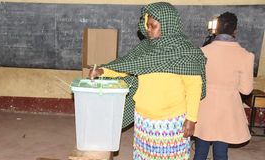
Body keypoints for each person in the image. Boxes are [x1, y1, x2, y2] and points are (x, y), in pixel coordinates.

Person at [89, 2, 206, 159]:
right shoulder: (145, 48)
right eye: (147, 25)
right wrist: (102, 71)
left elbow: (193, 87)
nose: (148, 30)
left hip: (171, 122)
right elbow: (127, 66)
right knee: (144, 156)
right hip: (144, 120)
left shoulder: (185, 52)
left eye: (153, 26)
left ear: (168, 25)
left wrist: (191, 119)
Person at [193, 12, 254, 160]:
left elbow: (195, 82)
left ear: (216, 29)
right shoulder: (246, 56)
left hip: (204, 107)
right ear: (235, 31)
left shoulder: (202, 52)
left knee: (200, 151)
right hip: (227, 111)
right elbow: (246, 90)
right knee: (221, 153)